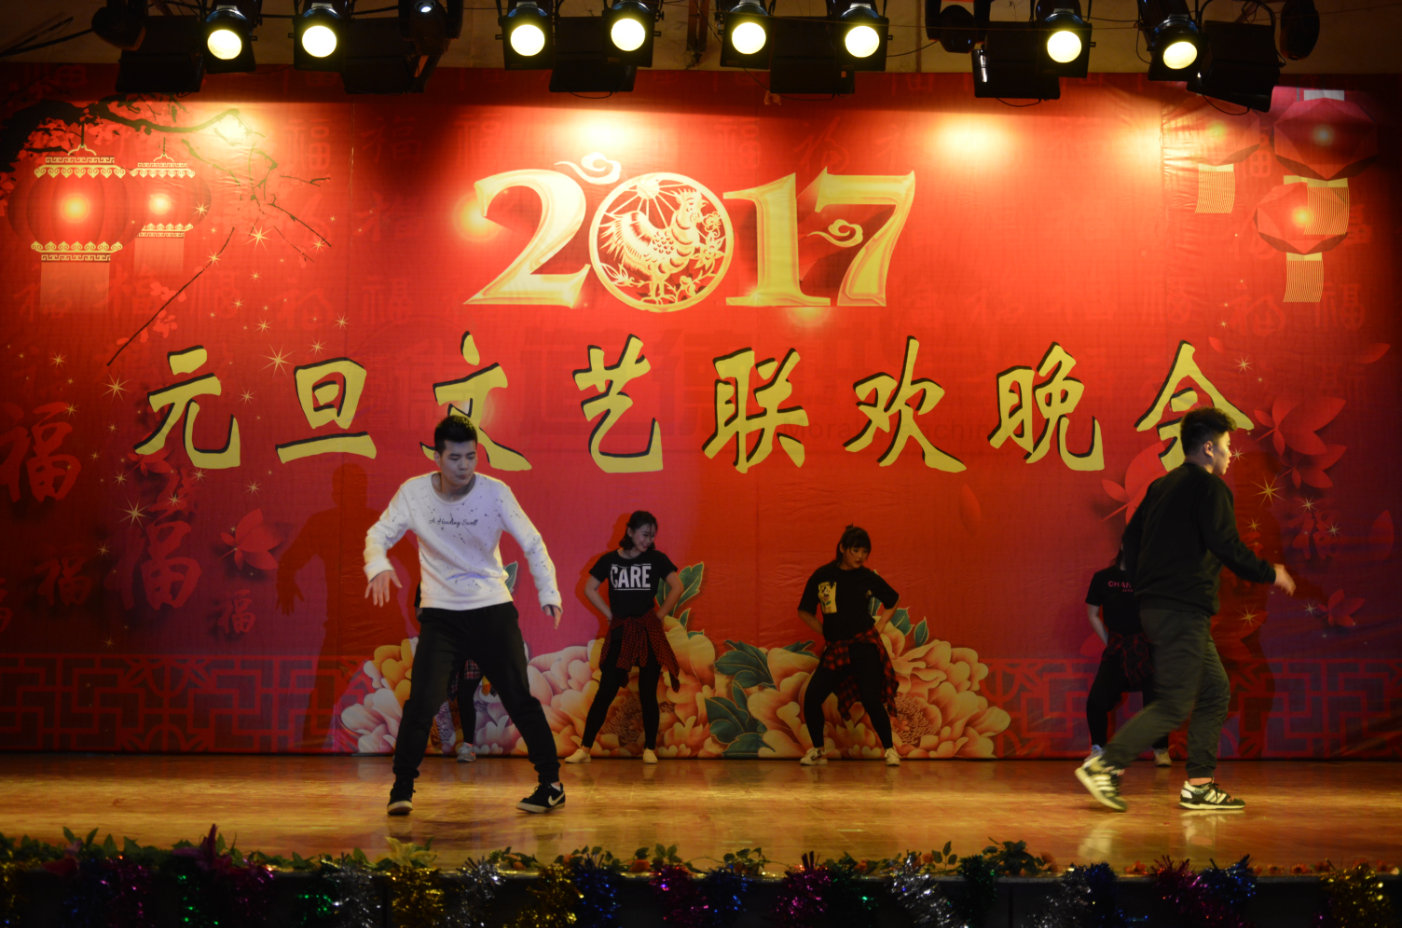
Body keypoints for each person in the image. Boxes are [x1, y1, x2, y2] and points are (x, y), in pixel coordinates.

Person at [1076, 407, 1295, 813]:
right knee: (1174, 704)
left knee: (1215, 690)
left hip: (1161, 609)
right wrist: (1271, 572)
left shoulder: (1161, 486)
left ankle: (1199, 785)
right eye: (1227, 446)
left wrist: (1145, 586)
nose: (1230, 455)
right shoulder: (1210, 489)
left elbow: (1131, 539)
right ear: (1208, 447)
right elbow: (1226, 546)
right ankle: (1105, 765)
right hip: (1182, 610)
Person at [365, 414, 565, 815]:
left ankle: (551, 784)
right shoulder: (414, 493)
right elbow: (378, 534)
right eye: (455, 458)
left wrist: (549, 590)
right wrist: (378, 565)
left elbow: (532, 541)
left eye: (471, 457)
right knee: (422, 701)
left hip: (492, 609)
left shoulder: (495, 492)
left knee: (519, 698)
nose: (464, 466)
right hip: (442, 615)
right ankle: (401, 788)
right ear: (436, 457)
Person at [564, 511, 683, 765]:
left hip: (648, 629)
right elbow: (589, 588)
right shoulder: (609, 560)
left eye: (652, 536)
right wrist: (609, 615)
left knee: (648, 692)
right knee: (605, 691)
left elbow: (677, 586)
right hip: (621, 631)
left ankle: (649, 749)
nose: (648, 540)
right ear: (630, 531)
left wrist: (660, 614)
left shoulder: (656, 558)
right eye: (644, 534)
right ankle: (585, 749)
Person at [796, 525, 902, 767]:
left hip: (864, 646)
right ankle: (818, 750)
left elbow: (893, 599)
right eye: (856, 550)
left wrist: (881, 625)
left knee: (871, 699)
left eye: (865, 552)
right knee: (812, 697)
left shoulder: (867, 577)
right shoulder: (823, 576)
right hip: (837, 650)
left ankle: (890, 750)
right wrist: (827, 632)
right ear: (842, 548)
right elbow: (804, 611)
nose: (860, 556)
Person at [1084, 545, 1170, 767]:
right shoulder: (1103, 578)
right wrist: (1110, 642)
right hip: (1118, 648)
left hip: (1147, 647)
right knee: (1096, 700)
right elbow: (1092, 614)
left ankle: (1160, 749)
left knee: (1156, 700)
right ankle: (1098, 749)